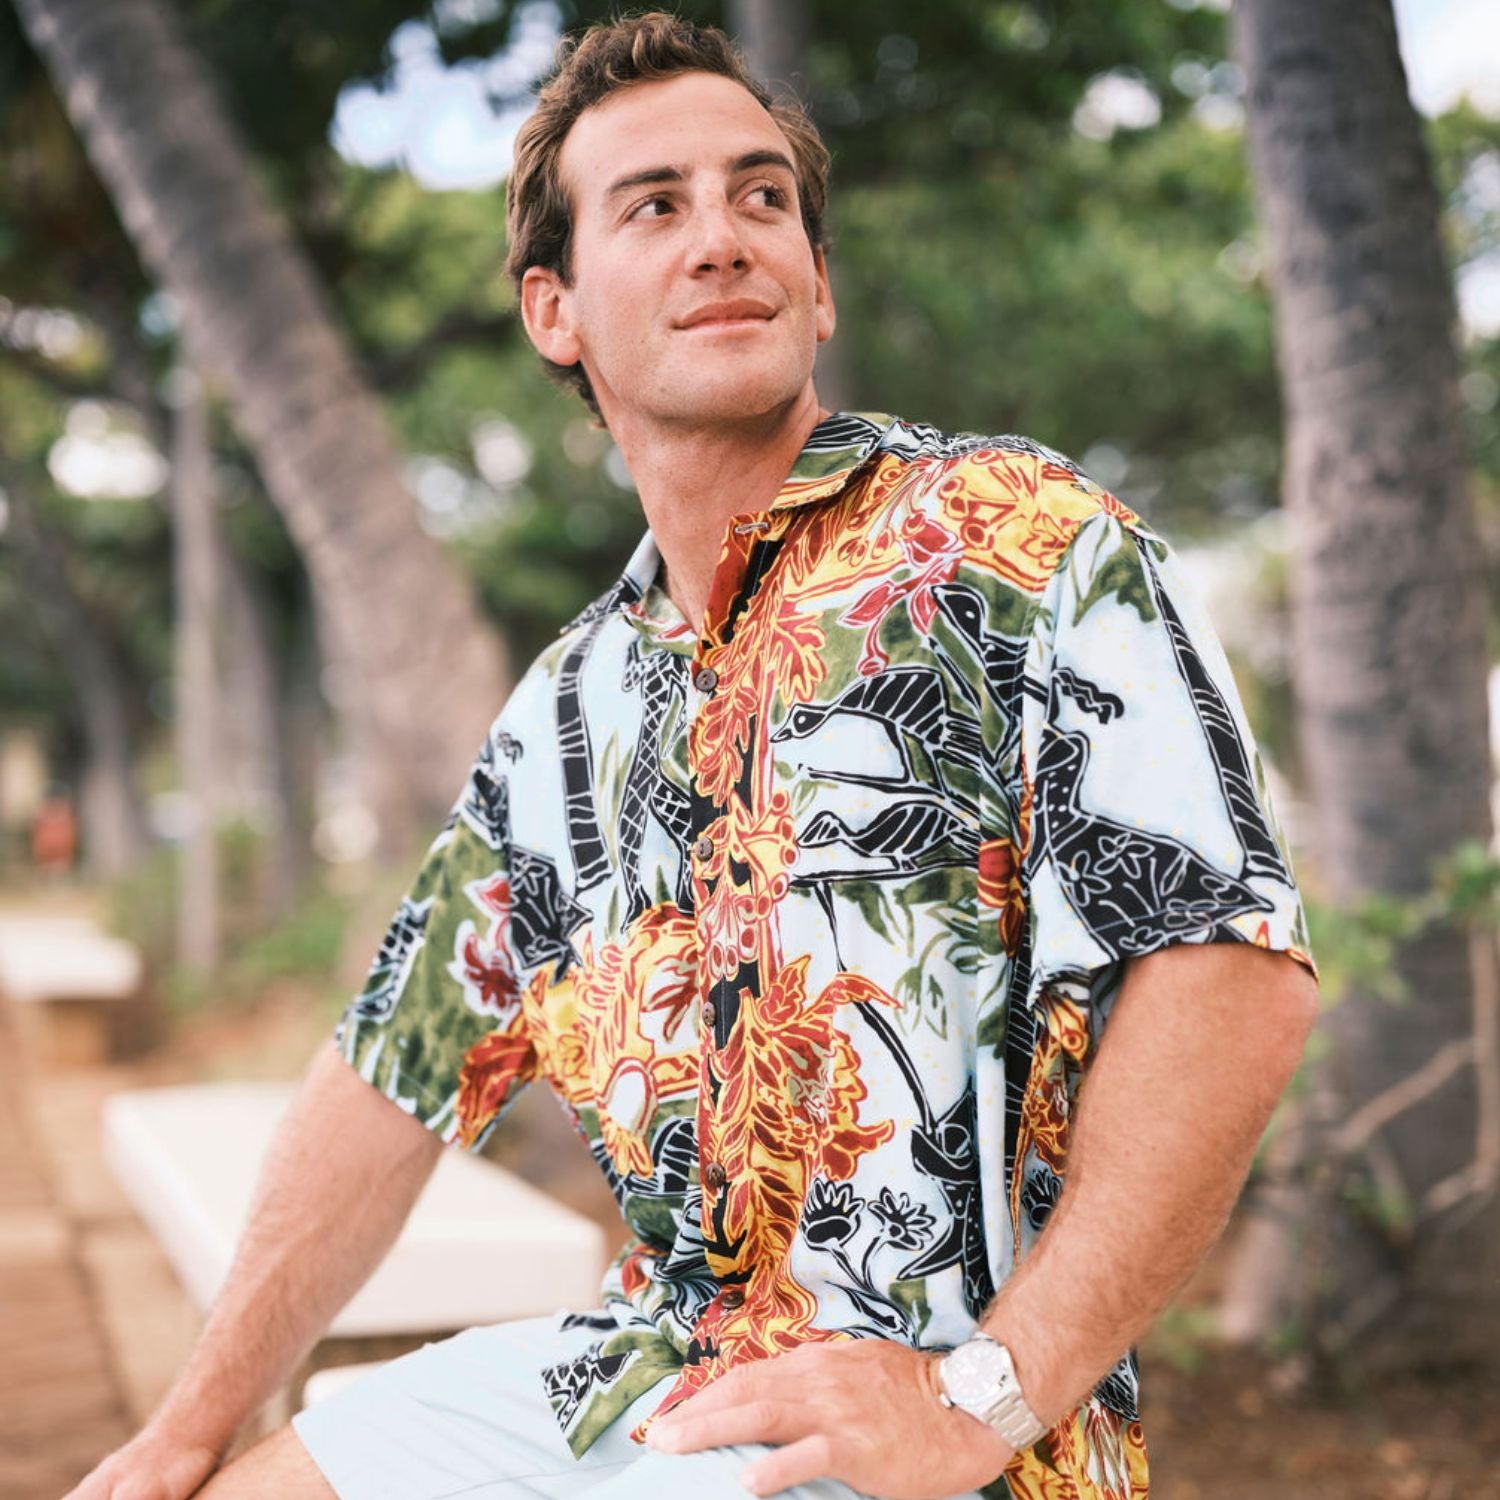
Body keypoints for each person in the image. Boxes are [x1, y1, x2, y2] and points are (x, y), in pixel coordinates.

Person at [68, 14, 1318, 1500]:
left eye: (761, 196)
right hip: (643, 1376)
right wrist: (187, 1426)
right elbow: (392, 1072)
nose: (722, 236)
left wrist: (981, 1396)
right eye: (655, 206)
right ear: (555, 312)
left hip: (927, 1427)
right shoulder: (569, 707)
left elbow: (1229, 971)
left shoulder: (1015, 541)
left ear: (818, 283)